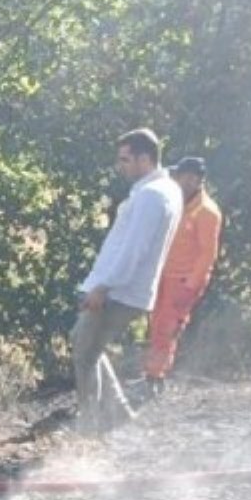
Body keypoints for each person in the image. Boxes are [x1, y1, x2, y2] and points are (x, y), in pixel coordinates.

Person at [71, 128, 183, 435]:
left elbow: (134, 249)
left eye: (125, 159)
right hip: (124, 289)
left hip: (118, 290)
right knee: (89, 348)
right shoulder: (163, 189)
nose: (120, 166)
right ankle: (118, 413)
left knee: (84, 352)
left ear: (145, 158)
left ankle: (90, 426)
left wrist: (103, 286)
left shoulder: (152, 195)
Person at [141, 156, 222, 397]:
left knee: (166, 328)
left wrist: (191, 285)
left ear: (194, 179)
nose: (176, 179)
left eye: (181, 175)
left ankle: (155, 376)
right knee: (155, 324)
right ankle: (151, 373)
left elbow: (208, 254)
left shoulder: (207, 211)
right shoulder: (176, 202)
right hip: (163, 274)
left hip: (184, 280)